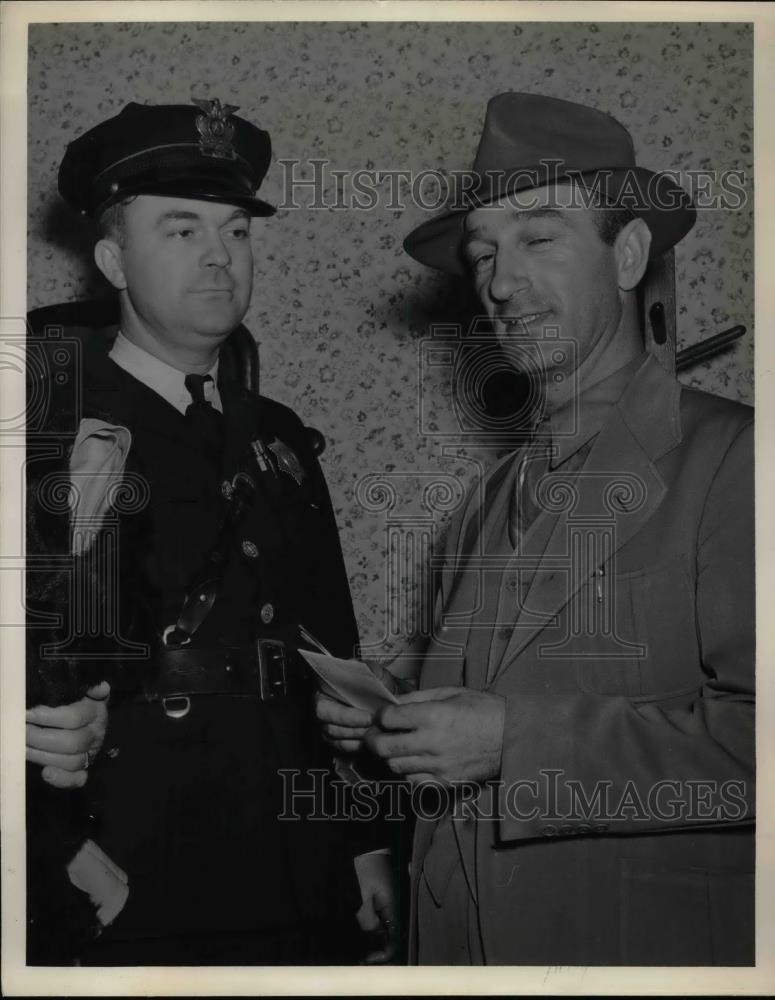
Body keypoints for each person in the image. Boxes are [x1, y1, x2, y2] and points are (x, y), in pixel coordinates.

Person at [316, 93, 754, 965]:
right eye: (483, 254)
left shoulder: (736, 462)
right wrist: (391, 716)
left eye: (539, 239)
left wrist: (514, 744)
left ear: (627, 254)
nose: (500, 284)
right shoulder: (485, 499)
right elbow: (506, 688)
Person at [24, 98, 396, 965]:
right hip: (131, 867)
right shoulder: (44, 431)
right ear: (114, 258)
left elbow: (330, 650)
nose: (220, 260)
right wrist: (49, 855)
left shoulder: (277, 437)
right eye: (181, 231)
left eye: (235, 233)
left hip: (300, 866)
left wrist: (367, 839)